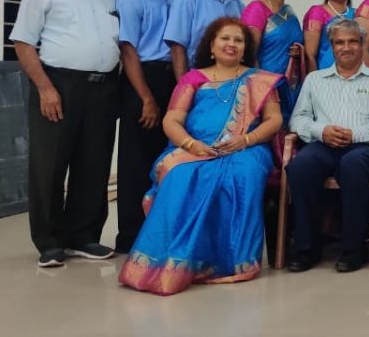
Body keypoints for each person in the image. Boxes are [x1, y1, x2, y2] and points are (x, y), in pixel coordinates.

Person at [118, 18, 283, 295]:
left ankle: (232, 262)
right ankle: (175, 262)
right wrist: (191, 145)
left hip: (247, 147)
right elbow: (172, 120)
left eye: (238, 40)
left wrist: (245, 140)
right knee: (180, 175)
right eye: (225, 38)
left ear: (246, 48)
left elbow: (274, 120)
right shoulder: (193, 78)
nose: (231, 44)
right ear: (211, 46)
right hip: (196, 148)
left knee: (243, 174)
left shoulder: (260, 80)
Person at [10, 0, 121, 267]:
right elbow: (23, 42)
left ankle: (83, 237)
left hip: (103, 88)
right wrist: (45, 87)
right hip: (58, 85)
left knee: (94, 164)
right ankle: (50, 241)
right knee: (50, 164)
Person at [285, 18, 369, 273]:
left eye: (353, 42)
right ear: (332, 46)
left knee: (353, 165)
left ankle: (354, 250)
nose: (346, 47)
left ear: (362, 44)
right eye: (340, 42)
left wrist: (355, 134)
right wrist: (321, 131)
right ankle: (306, 249)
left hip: (365, 147)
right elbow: (298, 119)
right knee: (300, 167)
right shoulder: (315, 80)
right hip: (324, 144)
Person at [112, 0, 179, 254]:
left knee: (168, 156)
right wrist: (147, 99)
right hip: (142, 79)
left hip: (173, 77)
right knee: (136, 161)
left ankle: (162, 231)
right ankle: (130, 236)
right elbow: (128, 51)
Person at [241, 0, 304, 121]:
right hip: (264, 85)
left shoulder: (289, 13)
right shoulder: (256, 9)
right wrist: (261, 85)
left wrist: (299, 51)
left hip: (288, 86)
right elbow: (248, 54)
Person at [302, 0, 355, 72]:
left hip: (354, 74)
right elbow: (310, 55)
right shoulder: (317, 13)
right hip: (325, 75)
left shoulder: (358, 14)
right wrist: (314, 80)